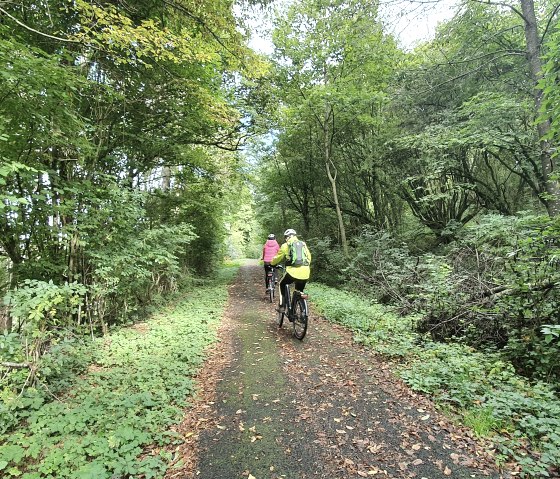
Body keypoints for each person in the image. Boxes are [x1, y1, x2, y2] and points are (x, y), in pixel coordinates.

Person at [271, 228, 311, 314]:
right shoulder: (303, 244)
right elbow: (309, 258)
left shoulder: (285, 245)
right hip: (305, 272)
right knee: (299, 291)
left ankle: (282, 306)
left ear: (287, 237)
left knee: (282, 283)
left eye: (286, 237)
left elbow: (278, 258)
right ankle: (299, 311)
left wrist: (272, 263)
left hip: (292, 272)